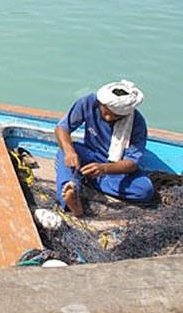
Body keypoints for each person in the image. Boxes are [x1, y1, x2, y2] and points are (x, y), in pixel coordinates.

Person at [54, 80, 154, 217]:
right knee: (65, 151)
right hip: (90, 154)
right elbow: (62, 128)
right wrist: (70, 152)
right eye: (106, 112)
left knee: (145, 190)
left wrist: (103, 169)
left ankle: (84, 178)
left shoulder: (137, 123)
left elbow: (131, 163)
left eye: (116, 116)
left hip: (115, 168)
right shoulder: (88, 102)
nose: (108, 118)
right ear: (101, 103)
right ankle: (70, 197)